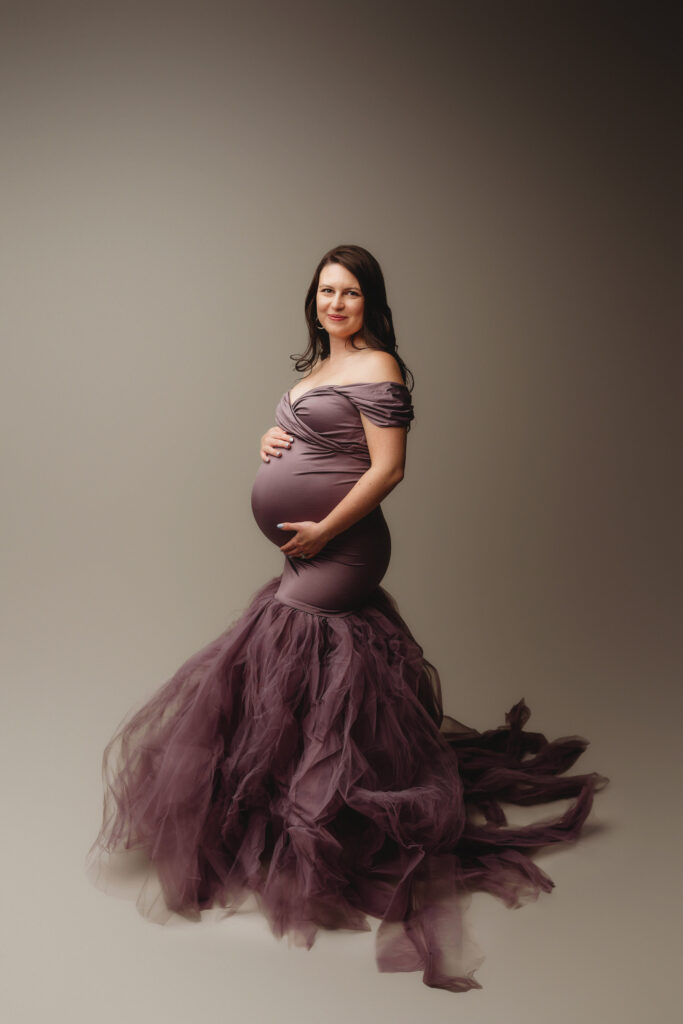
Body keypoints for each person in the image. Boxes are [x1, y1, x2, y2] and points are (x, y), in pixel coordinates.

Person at [85, 243, 609, 993]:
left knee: (287, 645)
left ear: (370, 303)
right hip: (307, 548)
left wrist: (325, 530)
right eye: (327, 291)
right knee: (305, 665)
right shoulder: (315, 372)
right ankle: (309, 802)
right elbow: (308, 441)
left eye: (350, 293)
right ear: (315, 300)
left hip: (344, 547)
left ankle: (319, 827)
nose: (336, 303)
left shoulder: (379, 365)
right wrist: (268, 443)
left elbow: (388, 467)